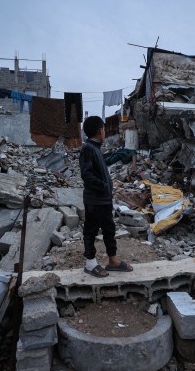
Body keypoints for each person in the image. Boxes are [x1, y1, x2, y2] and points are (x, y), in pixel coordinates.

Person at [79, 116, 133, 278]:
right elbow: (86, 174)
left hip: (103, 200)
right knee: (91, 230)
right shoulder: (88, 148)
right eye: (103, 129)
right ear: (99, 131)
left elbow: (99, 167)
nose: (105, 132)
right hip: (94, 200)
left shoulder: (95, 148)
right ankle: (90, 263)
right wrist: (103, 186)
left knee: (109, 229)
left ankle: (113, 260)